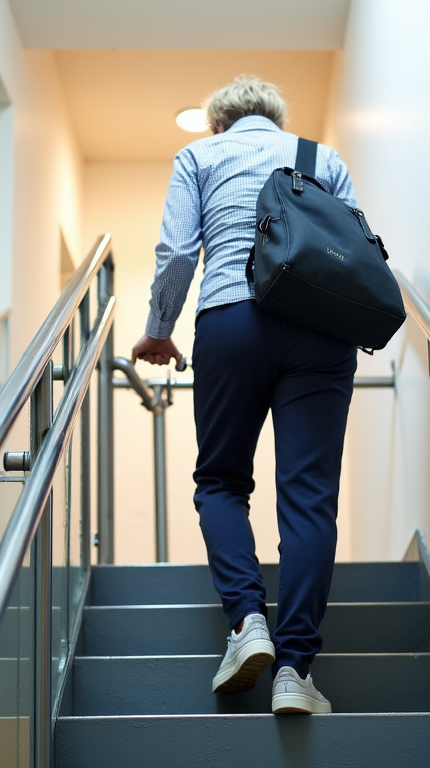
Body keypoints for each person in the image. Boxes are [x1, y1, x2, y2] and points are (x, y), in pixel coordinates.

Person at [131, 75, 360, 715]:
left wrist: (159, 330)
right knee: (309, 498)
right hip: (321, 328)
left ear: (217, 124)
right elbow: (355, 248)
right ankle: (295, 673)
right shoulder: (322, 157)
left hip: (231, 318)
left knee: (223, 482)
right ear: (276, 118)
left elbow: (178, 250)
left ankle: (246, 623)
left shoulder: (199, 156)